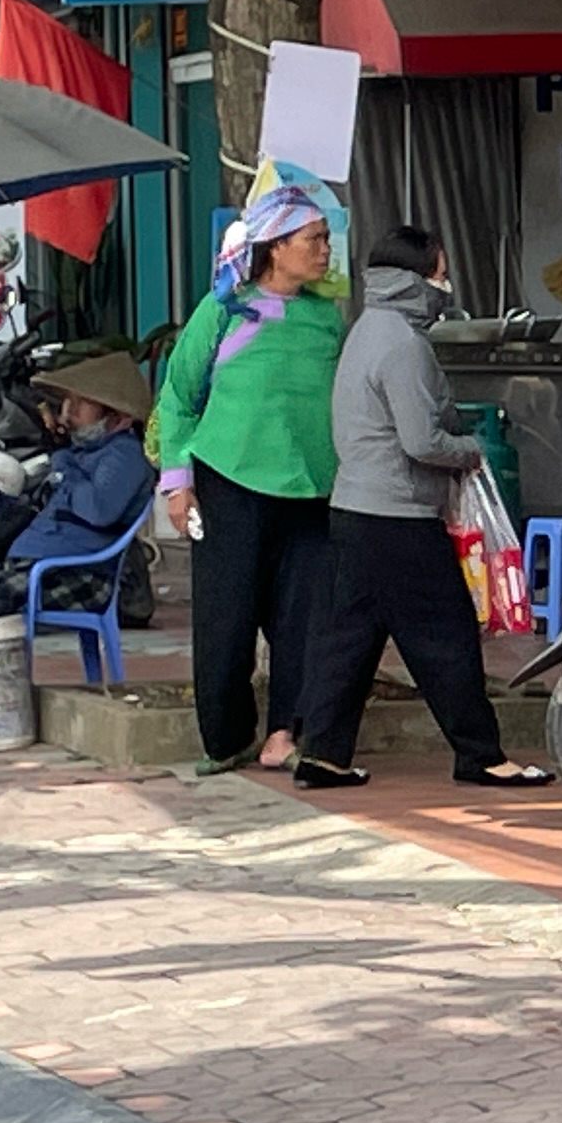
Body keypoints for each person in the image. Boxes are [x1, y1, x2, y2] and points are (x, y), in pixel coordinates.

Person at [289, 225, 550, 792]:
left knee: (350, 639)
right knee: (445, 635)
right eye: (440, 269)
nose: (445, 281)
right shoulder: (405, 345)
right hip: (398, 515)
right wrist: (472, 451)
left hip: (355, 508)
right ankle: (481, 755)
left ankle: (323, 754)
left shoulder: (366, 330)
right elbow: (421, 441)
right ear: (421, 276)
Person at [151, 187, 346, 772]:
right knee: (226, 619)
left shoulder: (325, 317)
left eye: (325, 239)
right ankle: (225, 738)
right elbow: (179, 397)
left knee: (303, 621)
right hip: (228, 482)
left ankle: (285, 734)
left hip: (311, 487)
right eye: (313, 239)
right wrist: (178, 483)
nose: (323, 251)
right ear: (276, 246)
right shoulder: (224, 309)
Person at [0, 352, 157, 607]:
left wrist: (63, 463)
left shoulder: (124, 454)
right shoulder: (77, 452)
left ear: (116, 414)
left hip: (80, 573)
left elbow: (98, 510)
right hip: (34, 564)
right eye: (70, 401)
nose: (70, 411)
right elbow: (37, 508)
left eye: (84, 402)